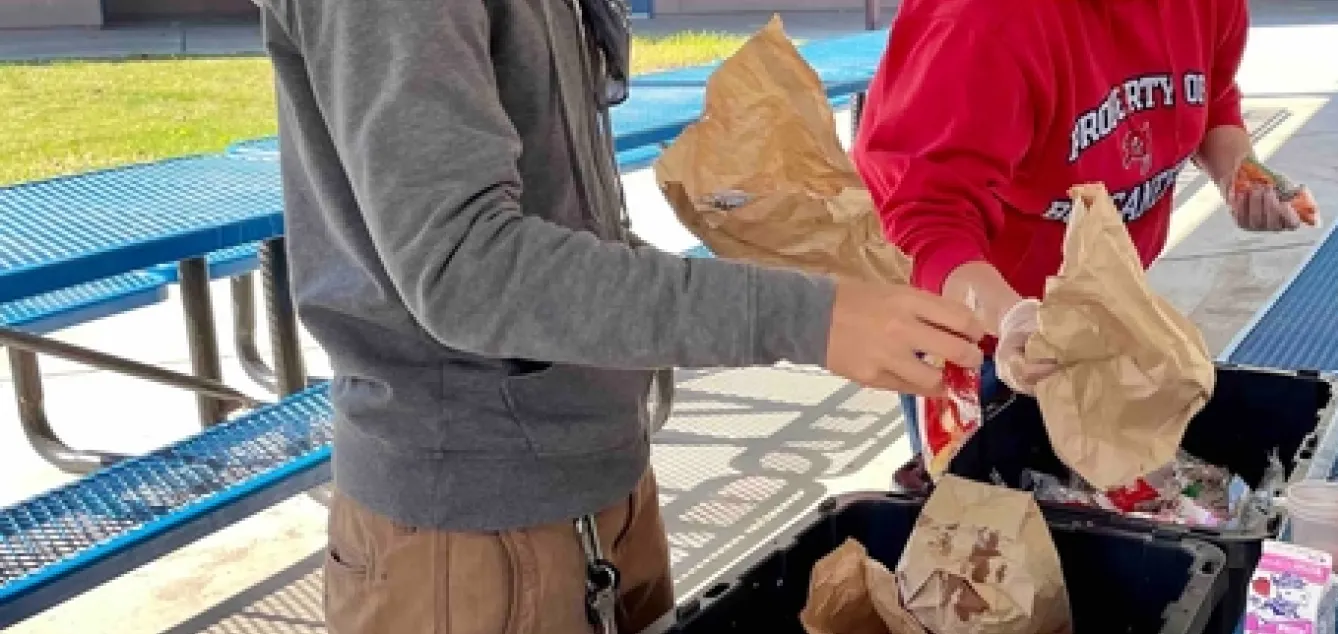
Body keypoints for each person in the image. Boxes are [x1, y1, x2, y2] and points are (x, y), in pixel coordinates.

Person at [256, 1, 985, 632]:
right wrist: (807, 317)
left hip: (600, 476)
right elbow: (465, 267)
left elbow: (565, 227)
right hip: (470, 527)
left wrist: (820, 280)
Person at [852, 0, 1319, 490]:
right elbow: (922, 220)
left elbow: (1213, 97)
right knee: (980, 521)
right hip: (968, 323)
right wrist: (1011, 317)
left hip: (1094, 305)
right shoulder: (980, 22)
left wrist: (1238, 173)